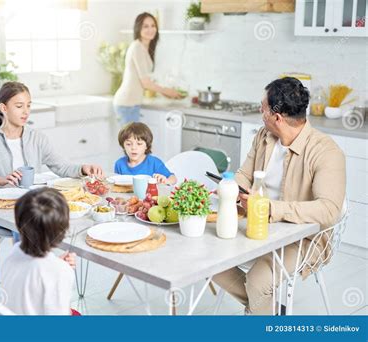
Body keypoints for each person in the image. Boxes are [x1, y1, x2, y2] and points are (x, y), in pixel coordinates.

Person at [212, 77, 346, 315]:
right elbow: (244, 174)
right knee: (206, 261)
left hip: (305, 238)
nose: (260, 113)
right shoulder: (265, 136)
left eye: (263, 109)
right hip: (256, 223)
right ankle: (269, 312)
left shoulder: (326, 151)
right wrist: (231, 189)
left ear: (277, 117)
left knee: (258, 282)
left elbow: (328, 210)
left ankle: (262, 315)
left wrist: (270, 208)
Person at [0, 81, 103, 189]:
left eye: (28, 105)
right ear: (4, 108)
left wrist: (83, 168)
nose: (26, 112)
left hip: (32, 205)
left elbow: (62, 167)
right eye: (19, 106)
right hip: (1, 206)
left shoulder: (37, 138)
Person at [1, 188, 78, 315]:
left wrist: (56, 264)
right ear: (62, 232)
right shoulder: (61, 272)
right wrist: (59, 268)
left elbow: (33, 271)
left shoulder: (13, 254)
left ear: (18, 223)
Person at [113, 12, 183, 126]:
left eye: (153, 25)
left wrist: (167, 93)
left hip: (132, 104)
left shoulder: (144, 48)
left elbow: (148, 79)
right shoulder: (137, 47)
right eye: (145, 26)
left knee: (134, 142)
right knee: (133, 143)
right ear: (138, 28)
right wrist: (167, 91)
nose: (150, 29)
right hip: (126, 104)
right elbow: (146, 83)